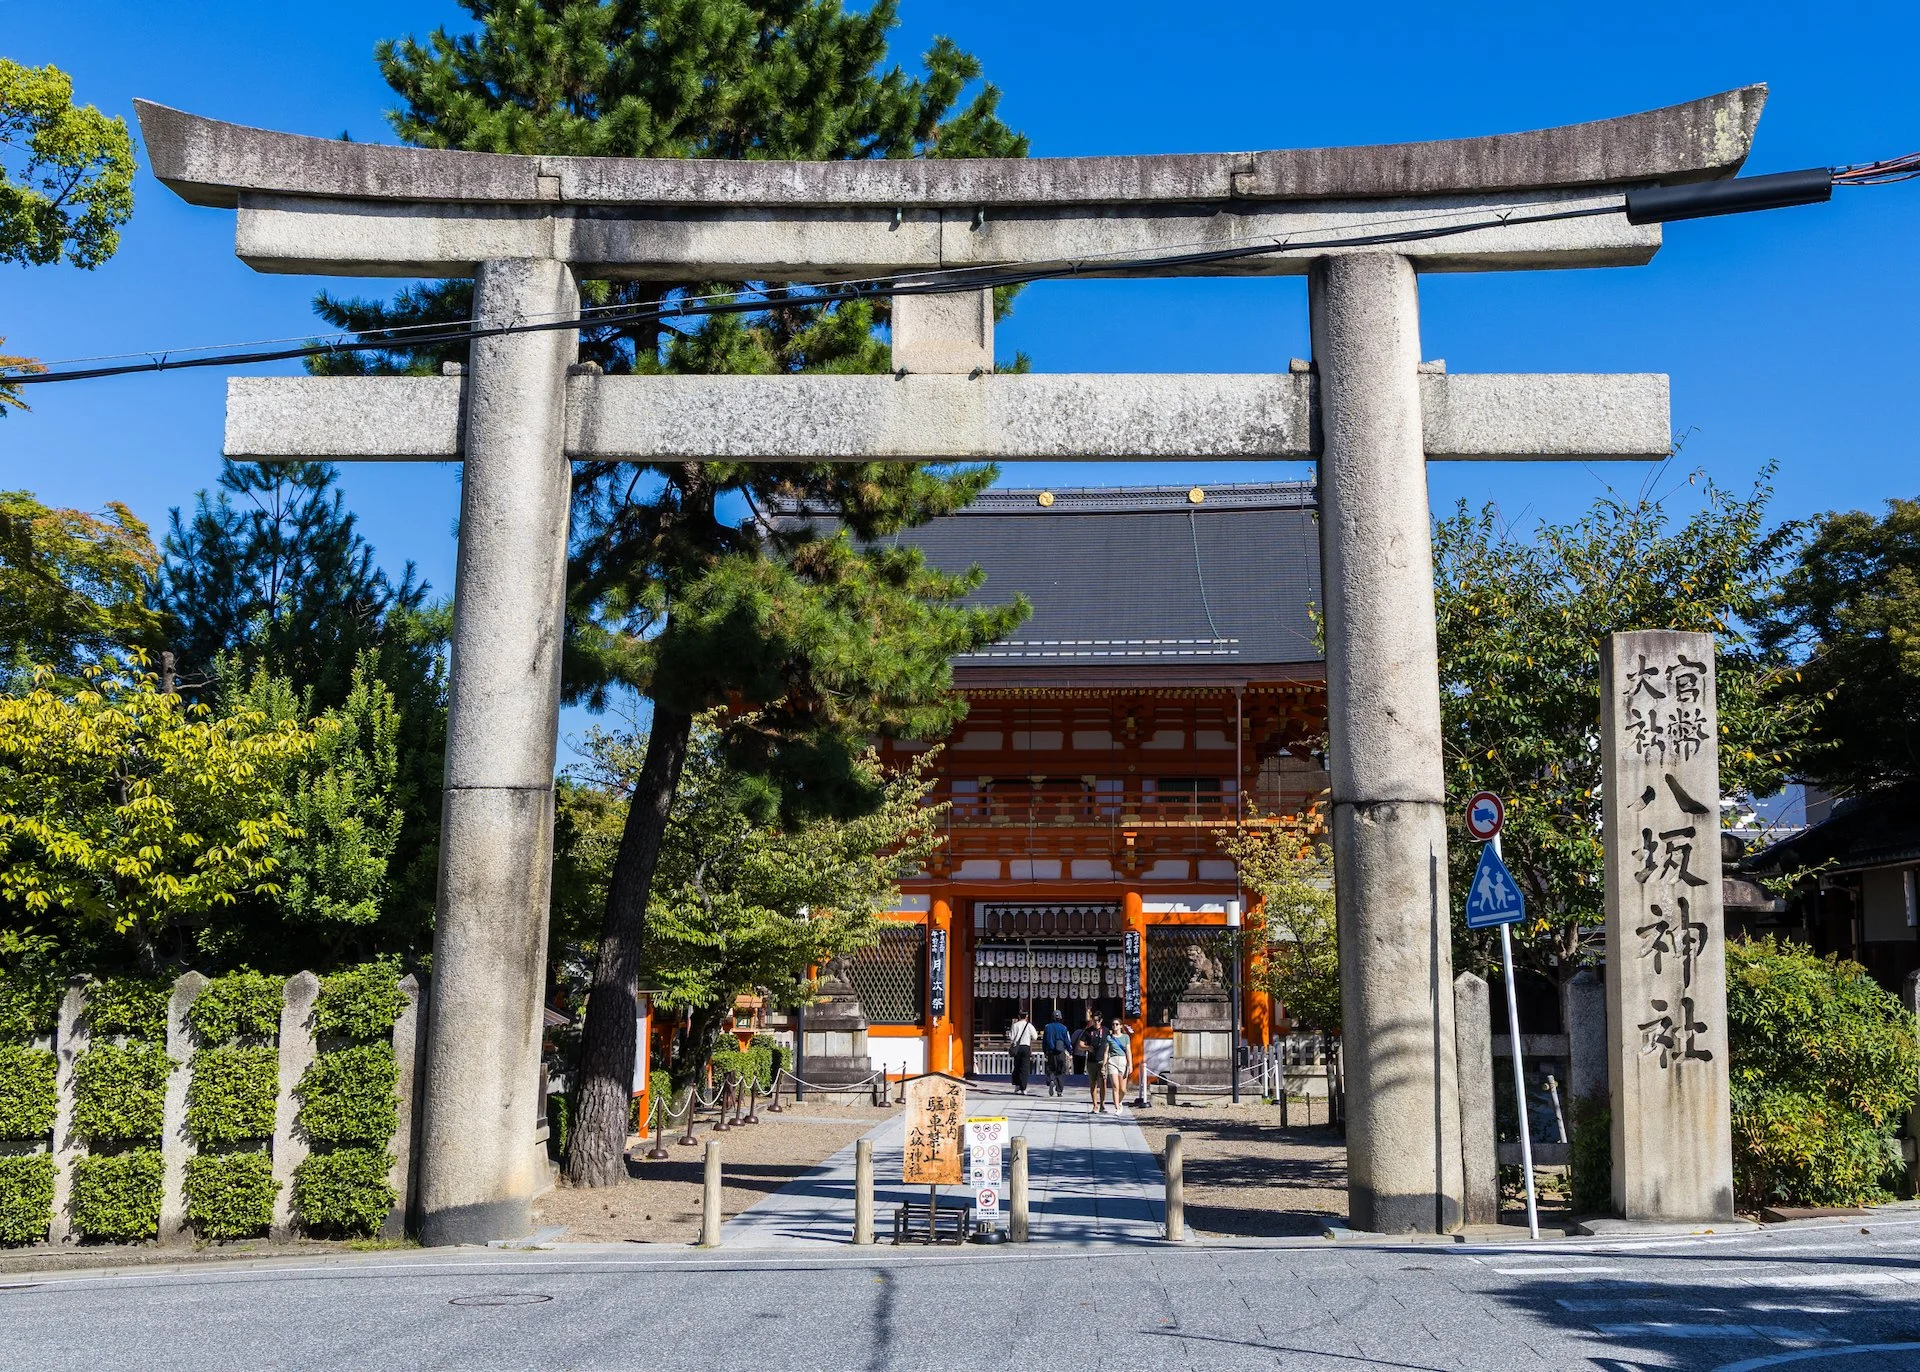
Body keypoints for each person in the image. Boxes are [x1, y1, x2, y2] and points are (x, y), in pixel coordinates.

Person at [1075, 1013, 1106, 1114]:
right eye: (1094, 1020)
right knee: (1093, 1083)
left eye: (1097, 1020)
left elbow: (1110, 1043)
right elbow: (1080, 1044)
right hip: (1091, 1061)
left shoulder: (1105, 1031)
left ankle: (1102, 1104)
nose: (1096, 1022)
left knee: (1103, 1083)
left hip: (1102, 1060)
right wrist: (1088, 1048)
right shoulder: (1088, 1031)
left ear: (1101, 1020)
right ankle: (1095, 1105)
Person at [1041, 1010, 1073, 1097]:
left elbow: (1044, 1041)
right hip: (1060, 1051)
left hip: (1051, 1051)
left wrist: (1045, 1051)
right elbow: (1067, 1041)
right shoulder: (1064, 1028)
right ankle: (1059, 1090)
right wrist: (1070, 1051)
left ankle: (1051, 1080)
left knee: (1051, 1068)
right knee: (1061, 1071)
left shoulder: (1047, 1027)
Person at [1103, 1022, 1132, 1113]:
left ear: (1120, 1026)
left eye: (1116, 1024)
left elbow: (1128, 1051)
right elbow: (1106, 1052)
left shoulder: (1125, 1037)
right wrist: (1104, 1065)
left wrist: (1130, 1064)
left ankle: (1119, 1101)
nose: (1115, 1026)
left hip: (1123, 1061)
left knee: (1123, 1089)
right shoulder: (1109, 1038)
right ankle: (1117, 1107)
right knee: (1115, 1086)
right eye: (1113, 1024)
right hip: (1112, 1061)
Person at [1007, 1008, 1038, 1095]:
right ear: (1027, 1016)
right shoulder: (1029, 1025)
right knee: (1024, 1068)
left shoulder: (1015, 1025)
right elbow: (1035, 1036)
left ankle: (1017, 1085)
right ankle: (1023, 1087)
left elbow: (1011, 1037)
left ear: (1019, 1016)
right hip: (1026, 1047)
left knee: (1017, 1066)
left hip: (1017, 1047)